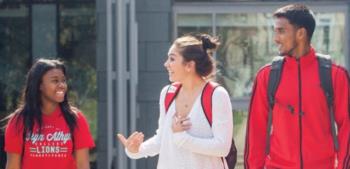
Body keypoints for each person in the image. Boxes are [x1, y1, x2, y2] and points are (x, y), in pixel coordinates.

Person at [244, 4, 350, 169]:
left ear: (301, 33)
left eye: (281, 31)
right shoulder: (267, 76)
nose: (275, 38)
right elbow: (255, 131)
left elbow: (347, 128)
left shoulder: (335, 75)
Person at [117, 34, 234, 169]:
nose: (166, 64)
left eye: (172, 59)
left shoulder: (217, 95)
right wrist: (136, 150)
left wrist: (182, 138)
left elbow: (222, 147)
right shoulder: (167, 93)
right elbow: (162, 140)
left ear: (189, 65)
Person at [4, 59, 95, 169]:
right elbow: (13, 166)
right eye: (55, 81)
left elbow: (83, 165)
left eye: (63, 80)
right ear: (39, 86)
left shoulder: (76, 119)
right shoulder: (18, 121)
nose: (62, 85)